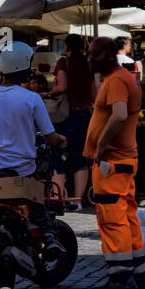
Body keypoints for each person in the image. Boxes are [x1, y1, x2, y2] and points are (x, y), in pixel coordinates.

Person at [0, 41, 66, 259]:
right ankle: (49, 237)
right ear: (24, 66)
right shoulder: (31, 98)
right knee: (37, 199)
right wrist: (62, 140)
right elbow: (50, 137)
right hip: (20, 171)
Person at [84, 36, 145, 289]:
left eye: (94, 55)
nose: (89, 59)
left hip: (112, 161)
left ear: (109, 56)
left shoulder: (117, 81)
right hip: (122, 160)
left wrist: (101, 145)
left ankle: (120, 277)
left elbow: (119, 114)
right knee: (127, 212)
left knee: (112, 217)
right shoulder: (122, 78)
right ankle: (138, 271)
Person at [48, 33, 93, 211]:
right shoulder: (87, 64)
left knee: (57, 154)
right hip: (84, 114)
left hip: (67, 114)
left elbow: (62, 87)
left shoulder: (63, 62)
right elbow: (94, 94)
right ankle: (77, 200)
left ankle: (57, 198)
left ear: (66, 46)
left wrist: (46, 94)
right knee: (80, 157)